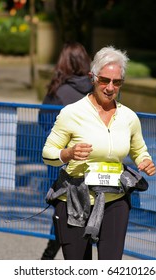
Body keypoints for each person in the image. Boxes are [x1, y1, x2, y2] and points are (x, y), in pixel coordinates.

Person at [42, 46, 156, 260]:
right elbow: (48, 153)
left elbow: (139, 150)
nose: (110, 87)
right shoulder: (72, 113)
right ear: (92, 78)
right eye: (104, 80)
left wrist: (145, 160)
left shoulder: (129, 117)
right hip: (75, 200)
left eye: (117, 82)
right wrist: (68, 153)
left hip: (115, 199)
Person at [38, 41, 93, 260]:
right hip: (92, 160)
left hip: (62, 160)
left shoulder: (58, 91)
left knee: (61, 211)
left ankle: (48, 257)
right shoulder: (95, 90)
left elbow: (43, 121)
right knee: (87, 211)